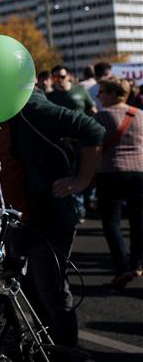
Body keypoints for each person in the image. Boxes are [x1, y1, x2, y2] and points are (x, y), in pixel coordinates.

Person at [9, 85, 105, 352]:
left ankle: (66, 354)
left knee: (52, 296)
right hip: (18, 219)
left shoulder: (33, 107)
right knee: (28, 294)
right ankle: (47, 349)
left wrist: (81, 181)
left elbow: (93, 129)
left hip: (46, 219)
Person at [94, 76, 143, 288]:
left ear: (114, 94)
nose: (98, 96)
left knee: (112, 222)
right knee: (138, 219)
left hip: (110, 172)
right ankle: (137, 263)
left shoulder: (101, 117)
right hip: (139, 171)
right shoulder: (140, 114)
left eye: (102, 91)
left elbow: (92, 147)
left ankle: (122, 267)